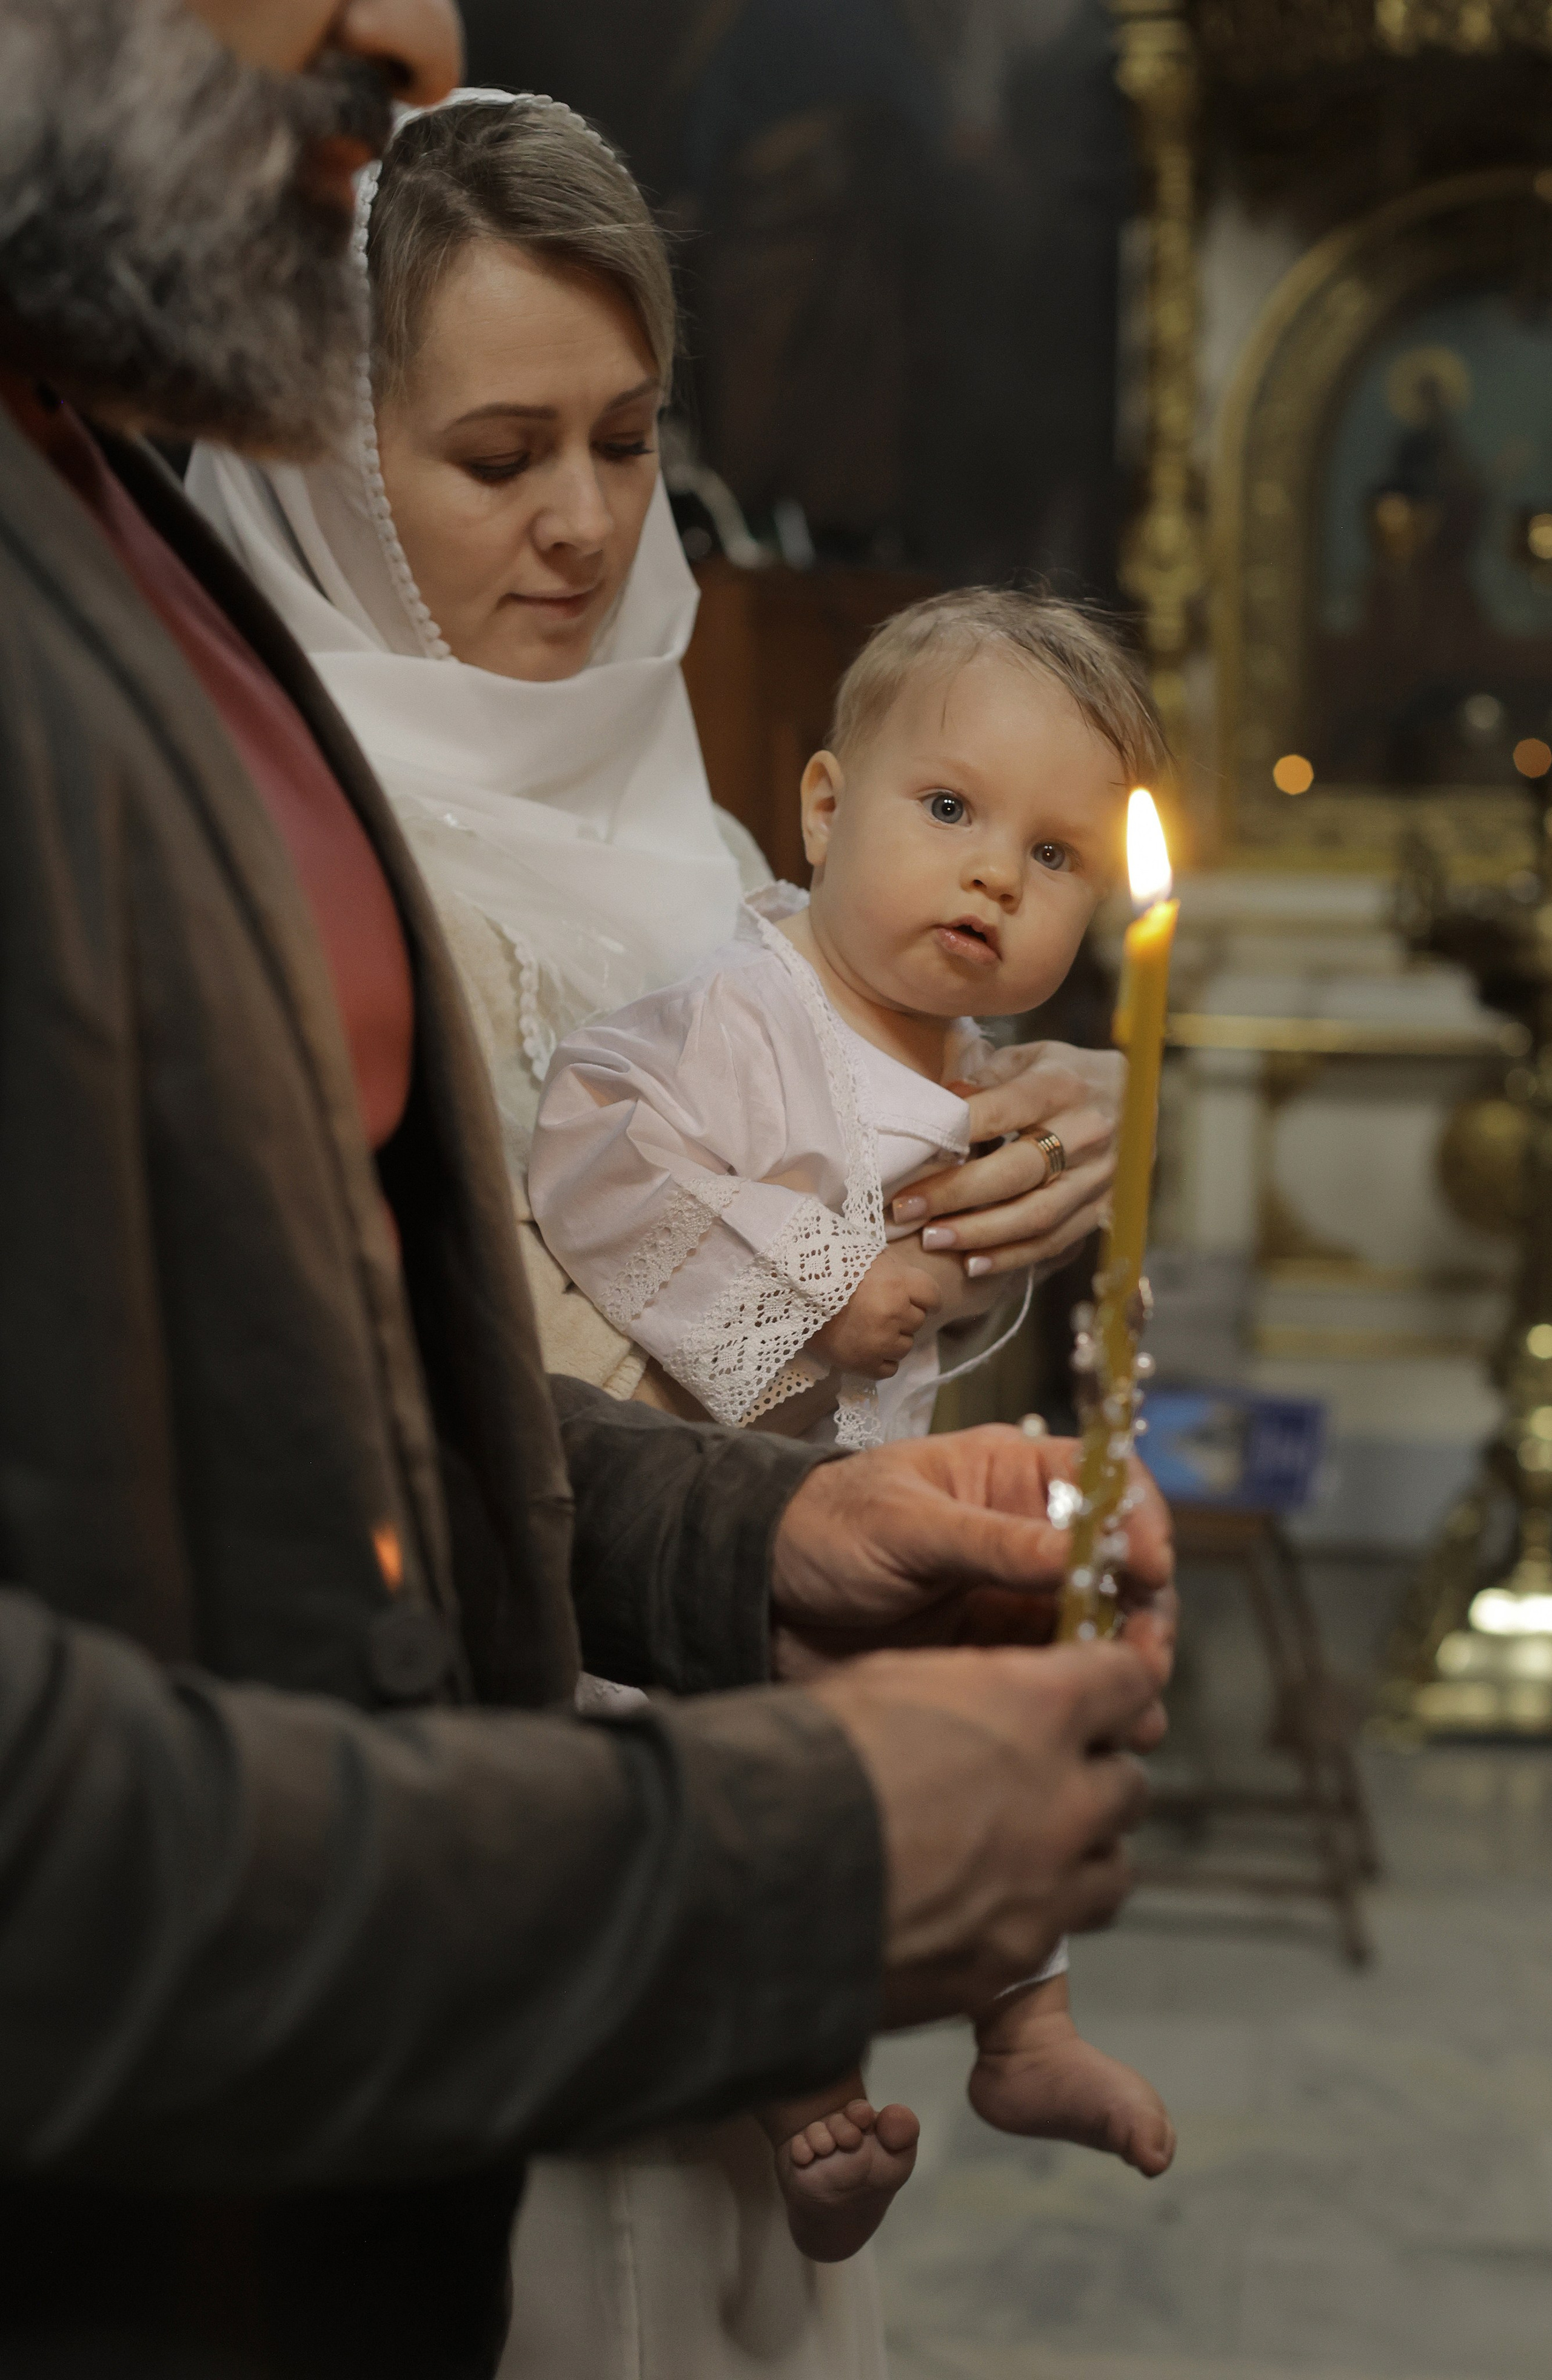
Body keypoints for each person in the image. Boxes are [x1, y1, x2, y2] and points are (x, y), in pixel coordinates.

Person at [0, 10, 1177, 2380]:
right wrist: (751, 1851)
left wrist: (766, 1525)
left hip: (500, 1891)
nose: (584, 519)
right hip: (359, 1973)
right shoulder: (178, 656)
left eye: (628, 446)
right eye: (495, 452)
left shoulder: (141, 573)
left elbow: (417, 1380)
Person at [530, 586, 1179, 2261]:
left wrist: (1028, 1264)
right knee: (767, 1771)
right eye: (951, 810)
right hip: (709, 1506)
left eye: (1056, 857)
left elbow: (1021, 1283)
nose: (993, 875)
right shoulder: (745, 1008)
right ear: (826, 806)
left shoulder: (990, 1074)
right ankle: (803, 2087)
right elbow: (590, 1148)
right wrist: (826, 1274)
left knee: (1004, 1711)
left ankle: (1022, 2035)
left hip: (881, 1491)